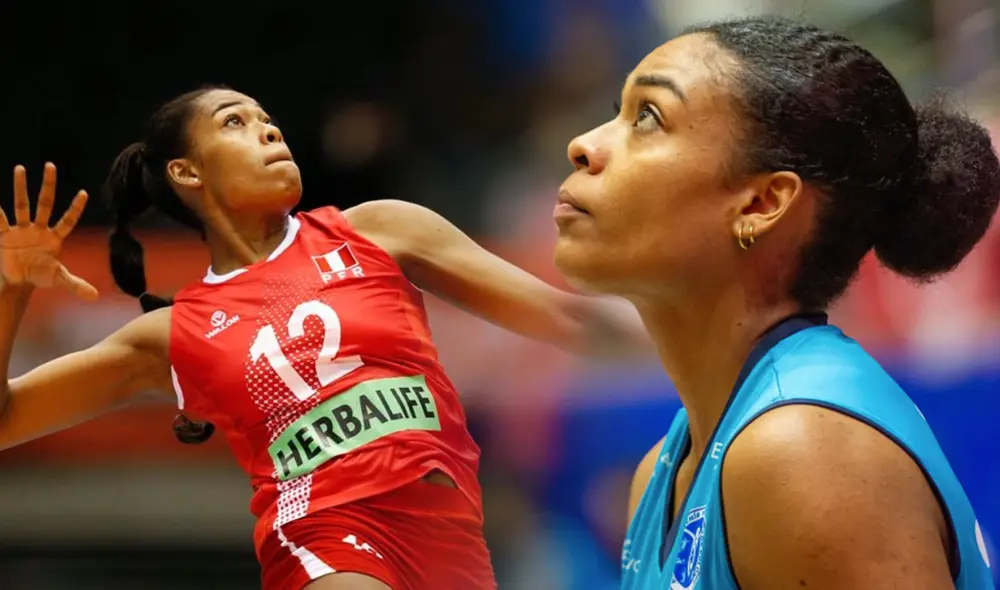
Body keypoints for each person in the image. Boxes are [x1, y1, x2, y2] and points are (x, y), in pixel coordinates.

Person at [0, 87, 649, 590]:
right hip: (324, 532)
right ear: (187, 173)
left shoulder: (381, 229)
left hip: (450, 538)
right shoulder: (175, 332)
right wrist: (10, 290)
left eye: (268, 120)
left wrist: (695, 324)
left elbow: (567, 318)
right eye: (235, 122)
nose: (269, 130)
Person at [552, 16, 999, 590]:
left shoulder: (803, 452)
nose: (584, 145)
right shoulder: (664, 471)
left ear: (761, 203)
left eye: (647, 117)